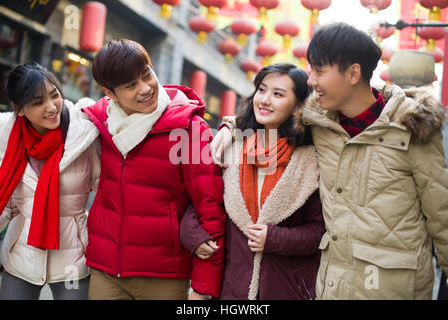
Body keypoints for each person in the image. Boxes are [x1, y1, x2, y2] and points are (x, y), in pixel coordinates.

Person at [212, 23, 448, 300]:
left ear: (353, 73)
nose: (311, 81)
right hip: (331, 285)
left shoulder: (412, 128)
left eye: (319, 71)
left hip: (392, 288)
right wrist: (229, 127)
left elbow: (441, 217)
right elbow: (267, 117)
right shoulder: (317, 122)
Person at [81, 39, 226, 300]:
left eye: (147, 75)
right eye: (131, 86)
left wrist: (204, 286)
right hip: (106, 271)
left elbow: (210, 206)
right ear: (110, 93)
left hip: (164, 276)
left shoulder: (190, 130)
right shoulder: (99, 122)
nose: (146, 88)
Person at [182, 63, 325, 300]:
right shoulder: (231, 147)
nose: (265, 100)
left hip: (285, 288)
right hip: (230, 287)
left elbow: (320, 231)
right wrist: (194, 236)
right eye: (262, 90)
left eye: (278, 94)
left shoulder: (309, 160)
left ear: (299, 105)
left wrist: (274, 239)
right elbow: (198, 202)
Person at [0, 62, 101, 300]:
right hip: (21, 255)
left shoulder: (82, 135)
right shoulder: (7, 142)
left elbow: (106, 189)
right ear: (19, 109)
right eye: (38, 102)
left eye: (54, 95)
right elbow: (5, 202)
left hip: (73, 258)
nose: (51, 107)